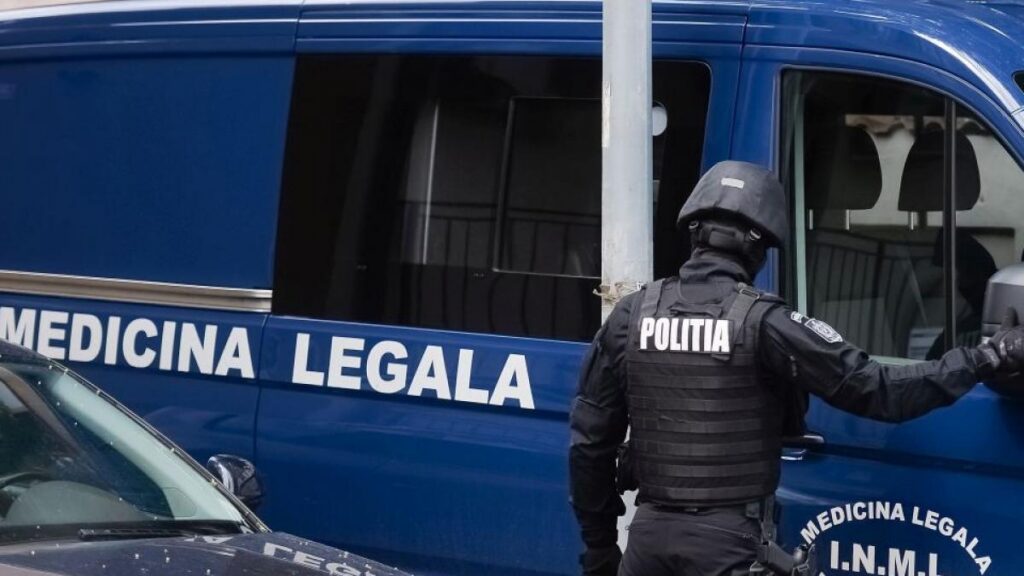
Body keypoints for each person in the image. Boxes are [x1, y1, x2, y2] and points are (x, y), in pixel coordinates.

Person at [568, 160, 1024, 576]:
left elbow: (590, 446)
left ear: (693, 233)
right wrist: (986, 357)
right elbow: (880, 390)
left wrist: (601, 549)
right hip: (729, 548)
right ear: (760, 249)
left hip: (646, 543)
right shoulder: (764, 322)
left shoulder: (632, 315)